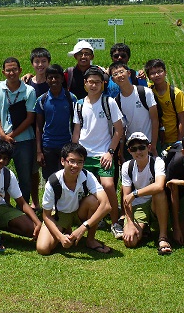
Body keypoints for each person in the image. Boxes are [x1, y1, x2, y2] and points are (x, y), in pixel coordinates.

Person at [72, 67, 124, 239]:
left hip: (103, 153)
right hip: (83, 154)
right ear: (85, 84)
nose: (93, 85)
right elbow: (77, 131)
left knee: (108, 186)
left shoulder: (109, 102)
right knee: (82, 189)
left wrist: (110, 152)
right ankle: (91, 218)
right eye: (90, 82)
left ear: (103, 84)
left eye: (97, 82)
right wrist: (73, 154)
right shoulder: (78, 105)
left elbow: (119, 130)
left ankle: (115, 223)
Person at [36, 143, 112, 255]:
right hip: (61, 214)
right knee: (43, 248)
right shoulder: (53, 182)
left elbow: (106, 205)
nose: (75, 165)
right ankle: (65, 230)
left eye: (80, 162)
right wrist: (60, 237)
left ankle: (90, 240)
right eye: (71, 161)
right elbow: (46, 215)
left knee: (94, 201)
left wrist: (82, 228)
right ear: (63, 161)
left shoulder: (87, 176)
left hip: (79, 212)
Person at [0, 57, 37, 203]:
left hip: (24, 140)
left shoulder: (29, 91)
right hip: (1, 140)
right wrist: (3, 136)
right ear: (3, 72)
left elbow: (30, 118)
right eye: (8, 70)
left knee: (24, 177)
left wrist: (10, 135)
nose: (12, 73)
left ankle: (23, 207)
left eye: (14, 69)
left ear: (20, 70)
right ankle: (3, 205)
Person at [121, 133, 171, 255]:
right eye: (134, 149)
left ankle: (163, 238)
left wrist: (135, 193)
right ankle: (145, 228)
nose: (138, 151)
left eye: (141, 147)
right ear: (129, 151)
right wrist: (130, 223)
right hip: (139, 206)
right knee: (130, 241)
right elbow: (125, 198)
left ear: (148, 148)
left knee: (159, 193)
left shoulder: (157, 162)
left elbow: (159, 185)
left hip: (156, 203)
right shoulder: (127, 166)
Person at [35, 64, 78, 183]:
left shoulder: (71, 98)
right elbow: (38, 127)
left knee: (67, 178)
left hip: (67, 145)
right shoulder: (42, 100)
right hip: (48, 146)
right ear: (46, 79)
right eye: (50, 77)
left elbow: (76, 123)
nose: (54, 80)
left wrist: (75, 145)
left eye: (57, 77)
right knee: (51, 180)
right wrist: (39, 151)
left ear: (62, 78)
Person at [109, 61, 159, 157]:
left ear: (128, 73)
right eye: (115, 74)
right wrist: (122, 153)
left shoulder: (145, 92)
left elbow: (155, 120)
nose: (119, 75)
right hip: (132, 145)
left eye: (121, 72)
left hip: (148, 143)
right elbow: (122, 128)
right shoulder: (117, 101)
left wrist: (153, 145)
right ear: (113, 79)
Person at [26, 48, 52, 212]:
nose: (40, 65)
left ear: (48, 63)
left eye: (43, 61)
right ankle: (35, 202)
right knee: (33, 170)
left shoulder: (54, 81)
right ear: (32, 64)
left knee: (50, 170)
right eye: (37, 61)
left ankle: (52, 202)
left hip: (49, 131)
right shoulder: (27, 83)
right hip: (30, 130)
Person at [144, 59, 184, 153]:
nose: (157, 75)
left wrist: (180, 141)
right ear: (149, 77)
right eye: (152, 73)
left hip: (173, 139)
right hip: (156, 138)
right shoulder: (148, 91)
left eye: (159, 71)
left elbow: (182, 120)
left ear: (165, 72)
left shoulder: (176, 93)